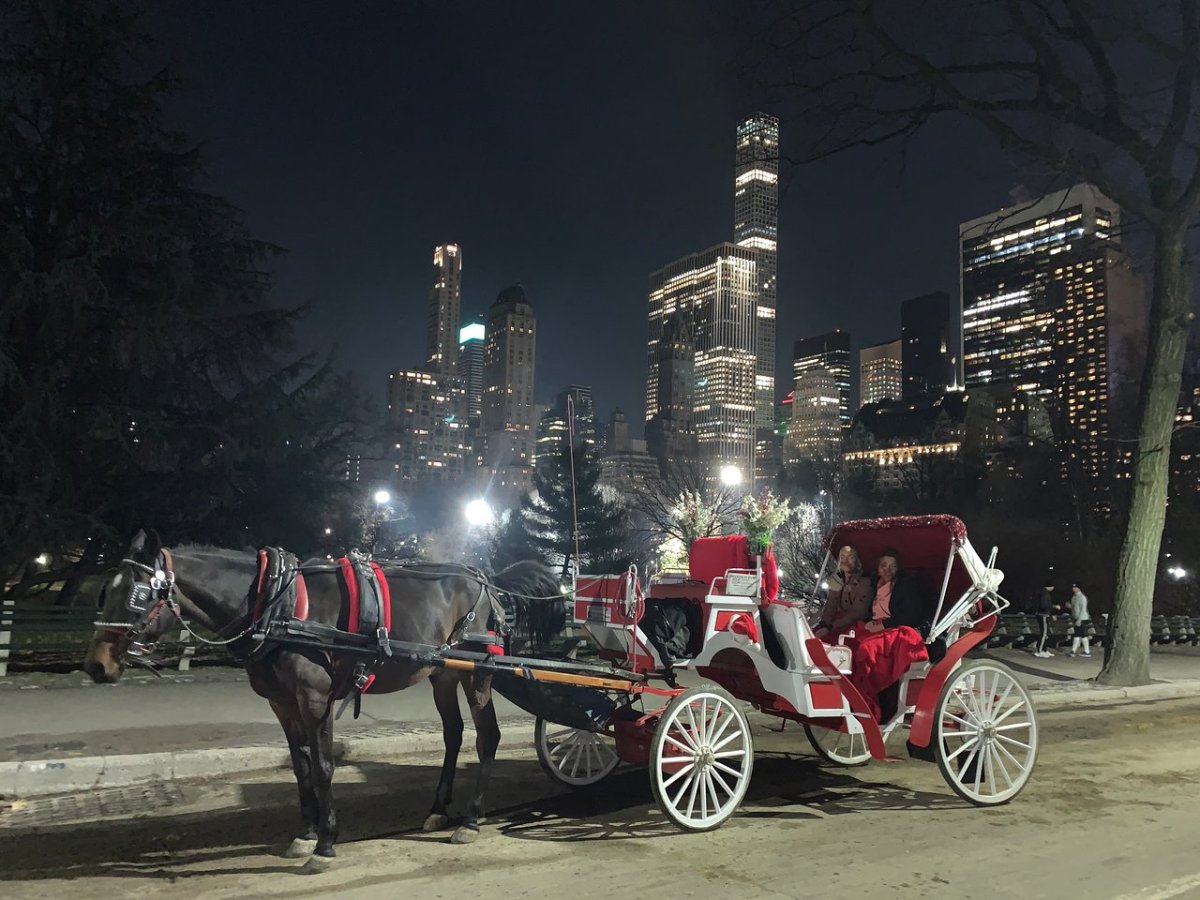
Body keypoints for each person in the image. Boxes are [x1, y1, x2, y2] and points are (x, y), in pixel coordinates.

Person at [847, 548, 930, 722]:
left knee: (867, 649)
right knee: (846, 642)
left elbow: (910, 613)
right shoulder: (874, 585)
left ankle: (874, 698)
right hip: (875, 625)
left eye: (893, 566)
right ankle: (849, 693)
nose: (888, 569)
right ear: (878, 568)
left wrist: (883, 625)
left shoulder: (905, 586)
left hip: (896, 628)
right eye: (884, 565)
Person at [814, 546, 872, 640]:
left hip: (852, 626)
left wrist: (830, 627)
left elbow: (856, 614)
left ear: (857, 561)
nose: (846, 561)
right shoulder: (837, 579)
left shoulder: (864, 583)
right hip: (834, 622)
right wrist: (824, 624)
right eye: (842, 557)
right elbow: (830, 605)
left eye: (851, 557)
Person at [1033, 580, 1056, 658]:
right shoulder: (1044, 594)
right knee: (1044, 633)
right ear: (1050, 586)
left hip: (1044, 615)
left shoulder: (1043, 593)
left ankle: (1044, 649)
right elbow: (1044, 605)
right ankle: (1039, 651)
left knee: (1047, 633)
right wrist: (1053, 606)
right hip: (1043, 615)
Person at [1068, 581, 1092, 658]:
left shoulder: (1082, 597)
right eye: (1073, 587)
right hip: (1076, 618)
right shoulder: (1074, 597)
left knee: (1082, 635)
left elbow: (1083, 610)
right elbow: (1074, 608)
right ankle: (1074, 650)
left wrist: (1079, 620)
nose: (1073, 589)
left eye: (1075, 587)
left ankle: (1086, 651)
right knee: (1078, 634)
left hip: (1082, 619)